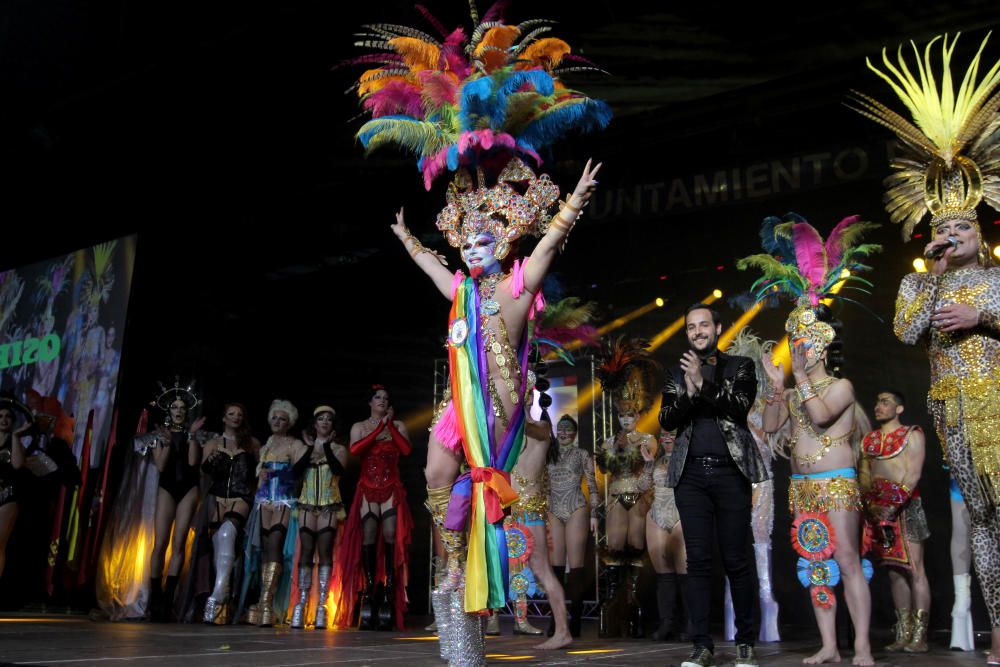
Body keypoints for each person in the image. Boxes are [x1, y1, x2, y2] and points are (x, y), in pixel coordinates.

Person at [342, 5, 611, 661]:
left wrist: (572, 204)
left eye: (490, 235)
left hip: (500, 409)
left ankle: (491, 582)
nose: (477, 243)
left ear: (504, 241)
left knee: (496, 497)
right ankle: (454, 561)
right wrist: (409, 237)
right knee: (436, 467)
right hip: (461, 410)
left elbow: (545, 250)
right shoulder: (461, 288)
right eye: (470, 237)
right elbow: (435, 267)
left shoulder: (516, 293)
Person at [852, 31, 1000, 664]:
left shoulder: (996, 279)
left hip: (997, 400)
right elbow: (906, 332)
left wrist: (985, 314)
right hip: (952, 412)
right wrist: (934, 276)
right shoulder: (922, 282)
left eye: (961, 225)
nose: (951, 233)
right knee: (987, 527)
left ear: (981, 227)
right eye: (942, 227)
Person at [742, 212, 880, 667]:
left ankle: (860, 647)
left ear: (819, 346)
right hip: (802, 486)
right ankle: (829, 646)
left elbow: (821, 416)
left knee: (845, 560)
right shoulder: (796, 388)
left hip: (837, 482)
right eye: (793, 340)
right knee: (815, 564)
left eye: (803, 341)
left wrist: (798, 378)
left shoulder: (841, 387)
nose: (796, 346)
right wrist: (776, 387)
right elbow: (771, 424)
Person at [660, 305, 768, 667]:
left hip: (730, 473)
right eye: (691, 327)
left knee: (737, 560)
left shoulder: (740, 367)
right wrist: (689, 393)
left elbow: (739, 408)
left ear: (717, 328)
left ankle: (745, 642)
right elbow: (666, 419)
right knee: (698, 562)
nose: (697, 331)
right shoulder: (676, 375)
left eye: (704, 324)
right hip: (689, 477)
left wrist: (703, 385)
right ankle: (701, 644)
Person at [331, 386, 412, 631]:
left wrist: (389, 426)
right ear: (370, 402)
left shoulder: (398, 426)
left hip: (390, 487)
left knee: (389, 535)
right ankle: (368, 591)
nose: (383, 401)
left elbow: (406, 450)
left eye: (387, 398)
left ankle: (387, 591)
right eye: (378, 397)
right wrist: (378, 428)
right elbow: (356, 450)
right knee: (367, 536)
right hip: (367, 487)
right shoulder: (359, 426)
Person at [595, 336, 659, 639]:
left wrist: (631, 446)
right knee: (614, 552)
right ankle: (613, 611)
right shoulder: (609, 440)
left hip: (640, 495)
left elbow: (649, 464)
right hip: (616, 495)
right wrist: (614, 448)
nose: (626, 419)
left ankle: (634, 611)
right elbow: (605, 467)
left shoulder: (648, 439)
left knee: (636, 551)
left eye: (631, 415)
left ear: (639, 414)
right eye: (622, 415)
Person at [859, 390, 930, 653]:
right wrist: (872, 506)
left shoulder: (912, 434)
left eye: (885, 402)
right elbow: (864, 476)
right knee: (893, 571)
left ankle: (920, 636)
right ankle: (903, 632)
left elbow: (913, 474)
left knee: (915, 569)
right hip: (879, 511)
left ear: (899, 409)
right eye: (877, 401)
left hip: (906, 508)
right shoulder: (870, 440)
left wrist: (893, 504)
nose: (878, 406)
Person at [147, 381, 206, 621]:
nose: (179, 411)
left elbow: (193, 462)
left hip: (188, 488)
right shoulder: (160, 435)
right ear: (169, 411)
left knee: (179, 543)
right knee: (160, 543)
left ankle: (169, 600)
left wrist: (191, 435)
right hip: (167, 487)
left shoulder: (194, 436)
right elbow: (160, 465)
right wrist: (168, 441)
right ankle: (154, 599)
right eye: (175, 408)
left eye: (182, 407)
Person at [247, 399, 308, 627]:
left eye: (282, 419)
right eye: (274, 417)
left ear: (289, 423)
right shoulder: (266, 446)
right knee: (264, 549)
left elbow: (303, 468)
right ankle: (263, 602)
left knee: (275, 546)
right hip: (264, 501)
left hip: (283, 500)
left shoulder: (294, 445)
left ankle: (268, 602)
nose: (277, 421)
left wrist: (278, 475)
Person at [200, 403, 260, 624]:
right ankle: (223, 603)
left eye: (240, 414)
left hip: (241, 497)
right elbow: (203, 471)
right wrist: (211, 460)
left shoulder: (252, 444)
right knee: (219, 548)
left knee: (227, 535)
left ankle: (215, 598)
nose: (236, 417)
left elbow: (259, 473)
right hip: (216, 497)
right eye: (231, 414)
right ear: (223, 418)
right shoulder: (214, 443)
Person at [291, 405, 347, 630]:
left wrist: (324, 446)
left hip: (328, 505)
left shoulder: (338, 449)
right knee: (306, 552)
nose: (324, 422)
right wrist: (310, 447)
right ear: (314, 424)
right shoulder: (302, 448)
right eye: (320, 419)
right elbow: (296, 471)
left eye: (329, 420)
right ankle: (302, 604)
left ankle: (322, 605)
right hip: (306, 504)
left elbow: (338, 470)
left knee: (324, 552)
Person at [546, 414, 598, 638]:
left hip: (576, 506)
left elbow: (593, 485)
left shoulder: (582, 454)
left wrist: (595, 514)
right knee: (555, 568)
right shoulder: (548, 454)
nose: (564, 433)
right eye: (561, 429)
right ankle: (557, 620)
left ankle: (575, 620)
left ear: (575, 433)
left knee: (576, 567)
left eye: (568, 429)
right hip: (553, 508)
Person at [644, 429, 690, 642]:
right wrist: (647, 463)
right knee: (664, 574)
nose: (667, 438)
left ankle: (690, 624)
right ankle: (666, 624)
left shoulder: (688, 457)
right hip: (657, 513)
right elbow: (641, 486)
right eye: (663, 435)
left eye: (672, 434)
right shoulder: (655, 460)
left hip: (680, 512)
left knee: (685, 573)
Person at [0, 395, 31, 580]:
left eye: (7, 416)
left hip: (7, 497)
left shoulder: (14, 442)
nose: (3, 419)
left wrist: (15, 436)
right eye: (0, 416)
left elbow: (18, 465)